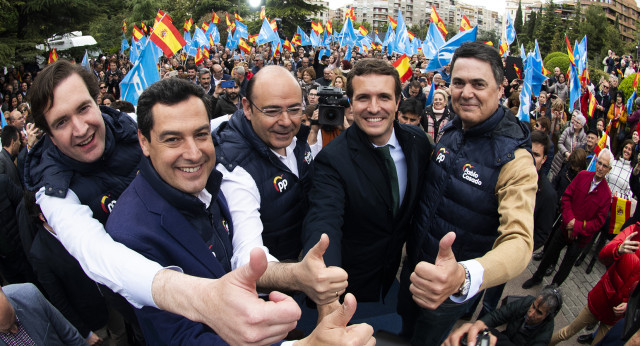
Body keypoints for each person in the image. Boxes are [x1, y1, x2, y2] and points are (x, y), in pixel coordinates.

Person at [23, 60, 301, 345]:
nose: (80, 128)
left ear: (97, 101)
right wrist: (204, 297)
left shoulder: (128, 127)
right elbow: (98, 254)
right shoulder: (53, 191)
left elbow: (193, 125)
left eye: (83, 108)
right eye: (61, 121)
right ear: (49, 136)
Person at [106, 77, 373, 345]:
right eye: (173, 139)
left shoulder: (207, 181)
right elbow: (181, 337)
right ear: (144, 141)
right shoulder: (131, 233)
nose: (194, 153)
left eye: (200, 134)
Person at [399, 41, 538, 345]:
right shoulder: (453, 126)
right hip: (412, 270)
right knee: (401, 332)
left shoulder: (516, 161)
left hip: (448, 292)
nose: (466, 92)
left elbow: (519, 243)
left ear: (501, 88)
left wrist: (463, 276)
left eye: (479, 84)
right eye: (459, 83)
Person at [301, 58, 431, 325]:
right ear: (351, 103)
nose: (374, 108)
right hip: (349, 285)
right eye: (363, 98)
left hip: (394, 279)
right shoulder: (332, 159)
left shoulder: (418, 143)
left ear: (397, 102)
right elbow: (324, 219)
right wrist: (326, 281)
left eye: (384, 97)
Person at [213, 66, 348, 304]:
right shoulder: (235, 170)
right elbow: (248, 259)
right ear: (247, 107)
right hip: (267, 299)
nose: (286, 122)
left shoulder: (296, 138)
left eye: (294, 109)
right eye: (272, 111)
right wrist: (299, 275)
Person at [523, 149, 613, 289]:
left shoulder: (606, 195)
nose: (600, 168)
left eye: (604, 166)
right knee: (549, 254)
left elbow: (598, 222)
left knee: (566, 266)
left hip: (580, 238)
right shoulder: (583, 175)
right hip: (564, 227)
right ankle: (537, 277)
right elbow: (566, 197)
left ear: (609, 169)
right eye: (599, 163)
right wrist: (569, 220)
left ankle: (553, 288)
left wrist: (576, 226)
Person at [550, 223, 640, 345]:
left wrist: (630, 305)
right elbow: (603, 256)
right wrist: (618, 249)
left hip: (616, 314)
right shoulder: (635, 231)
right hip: (602, 298)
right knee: (567, 332)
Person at [446, 285, 561, 346]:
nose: (531, 313)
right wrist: (478, 325)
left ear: (548, 316)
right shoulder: (526, 302)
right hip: (503, 338)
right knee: (481, 335)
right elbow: (499, 315)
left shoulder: (545, 334)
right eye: (533, 306)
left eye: (539, 312)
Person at [0, 283, 86, 345]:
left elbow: (71, 336)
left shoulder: (30, 295)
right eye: (6, 330)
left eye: (14, 321)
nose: (15, 330)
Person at [550, 111, 587, 181]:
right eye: (575, 121)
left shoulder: (583, 137)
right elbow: (560, 143)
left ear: (582, 125)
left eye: (578, 123)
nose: (575, 123)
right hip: (560, 160)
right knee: (553, 179)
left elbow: (581, 151)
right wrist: (566, 153)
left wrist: (572, 157)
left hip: (570, 164)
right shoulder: (567, 130)